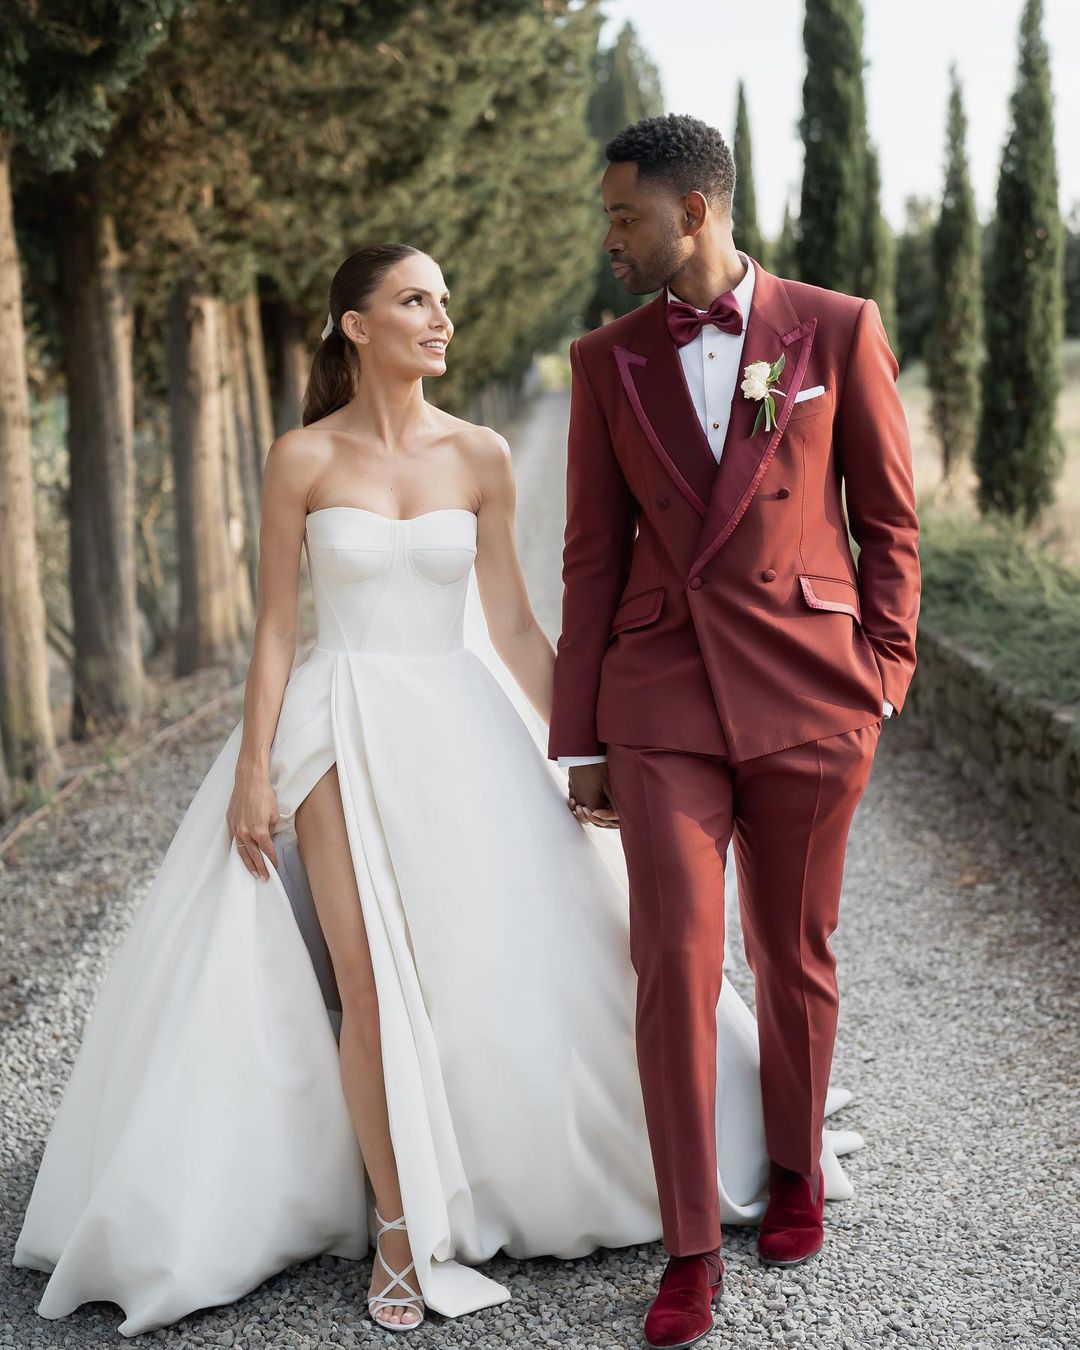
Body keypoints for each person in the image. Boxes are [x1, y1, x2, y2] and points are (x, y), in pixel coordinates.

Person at [14, 243, 863, 1342]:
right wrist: (254, 767)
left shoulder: (482, 454)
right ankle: (402, 1234)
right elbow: (278, 628)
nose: (441, 318)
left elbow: (512, 621)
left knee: (514, 952)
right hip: (337, 727)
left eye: (446, 301)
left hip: (459, 718)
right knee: (364, 981)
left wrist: (588, 749)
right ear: (355, 325)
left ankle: (562, 1157)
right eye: (416, 300)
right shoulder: (299, 460)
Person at [549, 113, 920, 1350]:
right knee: (673, 964)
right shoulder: (605, 359)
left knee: (793, 948)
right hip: (660, 701)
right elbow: (593, 555)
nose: (610, 235)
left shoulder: (836, 327)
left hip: (813, 687)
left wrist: (886, 669)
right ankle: (691, 1245)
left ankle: (800, 1166)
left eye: (624, 215)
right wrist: (579, 734)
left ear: (693, 211)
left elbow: (891, 520)